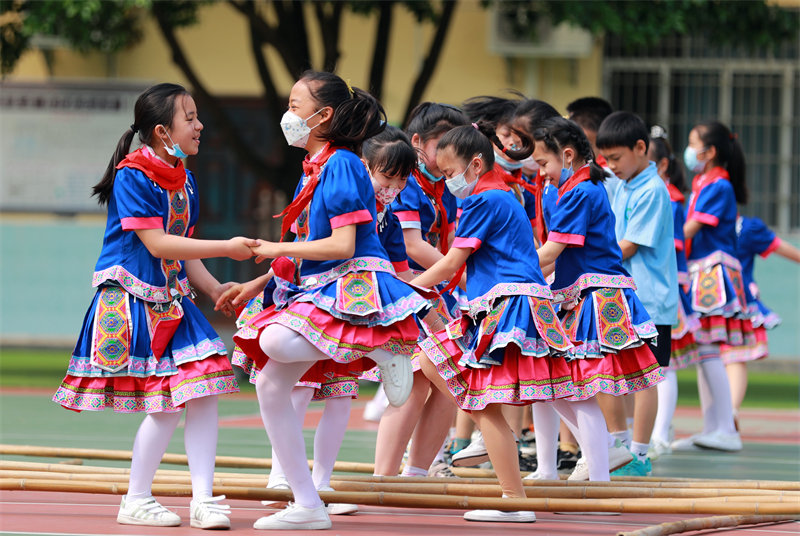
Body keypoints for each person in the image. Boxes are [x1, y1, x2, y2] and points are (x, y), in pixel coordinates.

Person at [221, 71, 429, 530]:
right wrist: (258, 282)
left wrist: (274, 249)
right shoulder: (315, 168)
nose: (288, 115)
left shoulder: (342, 164)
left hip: (349, 281)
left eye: (296, 106)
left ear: (324, 115)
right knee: (269, 385)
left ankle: (380, 344)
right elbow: (306, 244)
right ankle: (307, 503)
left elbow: (340, 245)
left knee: (274, 342)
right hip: (318, 284)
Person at [52, 83, 257, 529]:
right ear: (164, 132)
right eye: (191, 117)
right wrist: (229, 246)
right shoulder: (133, 175)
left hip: (172, 300)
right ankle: (137, 498)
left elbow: (184, 254)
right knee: (165, 406)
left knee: (203, 391)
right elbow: (159, 243)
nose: (200, 125)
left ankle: (203, 499)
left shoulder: (185, 178)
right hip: (134, 300)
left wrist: (215, 287)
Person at [412, 122, 574, 522]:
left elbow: (452, 262)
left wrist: (403, 291)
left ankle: (512, 498)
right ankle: (504, 478)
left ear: (476, 163)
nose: (448, 181)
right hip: (502, 302)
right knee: (442, 366)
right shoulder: (498, 194)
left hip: (507, 305)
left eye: (450, 173)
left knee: (480, 400)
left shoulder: (485, 200)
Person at [533, 117, 663, 482]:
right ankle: (597, 452)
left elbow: (553, 250)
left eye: (544, 164)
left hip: (598, 294)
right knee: (576, 378)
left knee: (591, 377)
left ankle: (608, 450)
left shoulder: (581, 191)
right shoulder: (574, 188)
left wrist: (514, 273)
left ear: (568, 155)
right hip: (585, 291)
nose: (541, 173)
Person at [372, 102, 469, 479]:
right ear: (417, 142)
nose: (448, 153)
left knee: (446, 380)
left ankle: (416, 473)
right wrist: (458, 272)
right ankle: (384, 476)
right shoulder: (408, 182)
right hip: (404, 288)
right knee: (412, 385)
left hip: (434, 289)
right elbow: (411, 245)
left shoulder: (443, 185)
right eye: (441, 143)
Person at [595, 112, 679, 476]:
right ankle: (620, 445)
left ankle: (640, 453)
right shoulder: (626, 183)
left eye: (616, 158)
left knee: (648, 376)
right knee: (611, 369)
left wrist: (588, 255)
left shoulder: (652, 189)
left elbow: (627, 246)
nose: (611, 166)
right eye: (607, 159)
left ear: (641, 148)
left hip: (651, 300)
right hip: (623, 295)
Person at [672, 120, 752, 452]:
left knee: (708, 347)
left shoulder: (719, 186)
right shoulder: (705, 182)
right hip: (703, 269)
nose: (689, 151)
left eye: (694, 143)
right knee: (705, 350)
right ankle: (713, 427)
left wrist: (666, 239)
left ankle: (725, 430)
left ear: (711, 151)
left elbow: (691, 228)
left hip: (713, 271)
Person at [647, 126, 701, 457]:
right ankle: (661, 429)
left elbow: (672, 248)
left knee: (663, 367)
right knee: (658, 365)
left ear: (661, 165)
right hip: (660, 287)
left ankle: (660, 433)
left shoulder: (669, 198)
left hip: (667, 288)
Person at [723, 215, 800, 423]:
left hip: (730, 300)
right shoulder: (699, 221)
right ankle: (726, 415)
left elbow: (778, 245)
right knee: (728, 358)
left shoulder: (747, 228)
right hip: (716, 298)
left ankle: (726, 416)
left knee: (730, 356)